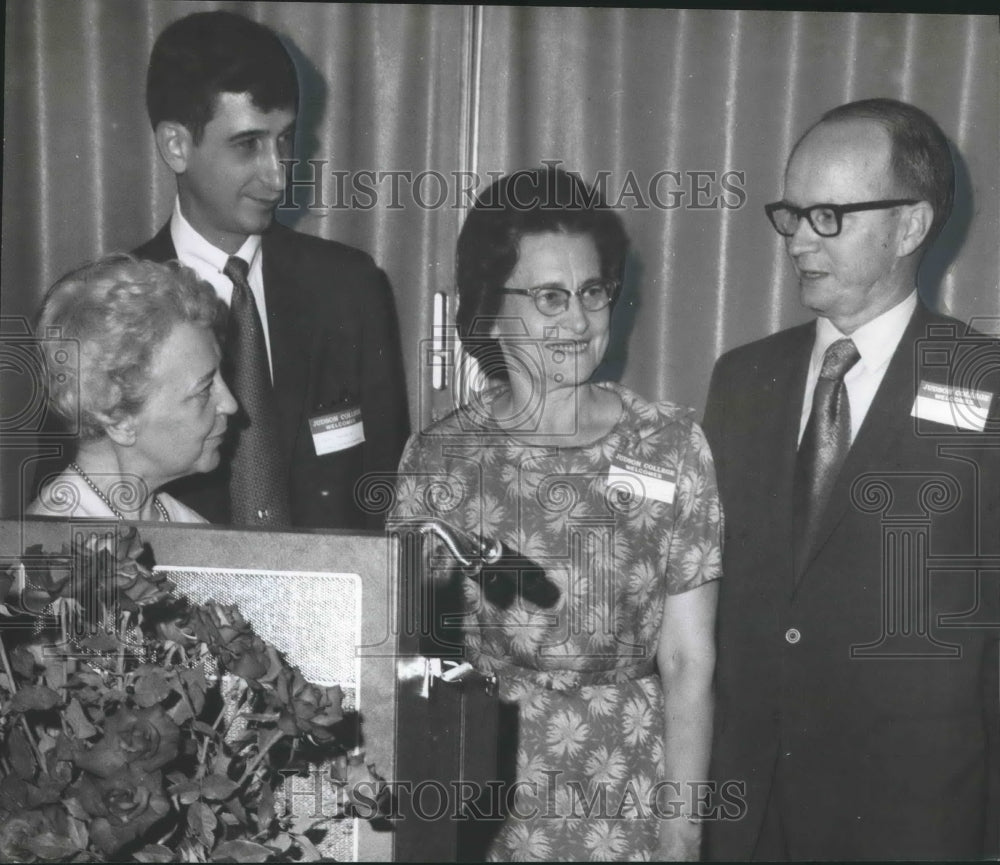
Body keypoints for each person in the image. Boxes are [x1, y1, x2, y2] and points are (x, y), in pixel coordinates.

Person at [391, 167, 721, 860]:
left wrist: (682, 830)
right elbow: (411, 663)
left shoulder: (669, 443)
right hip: (485, 798)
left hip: (630, 790)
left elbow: (689, 659)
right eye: (548, 297)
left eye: (593, 292)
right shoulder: (440, 459)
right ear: (489, 306)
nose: (577, 320)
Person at [703, 98, 1000, 860]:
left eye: (829, 215)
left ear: (911, 226)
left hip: (914, 820)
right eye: (793, 213)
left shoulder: (985, 382)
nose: (800, 239)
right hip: (751, 814)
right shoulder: (742, 379)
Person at [135, 10, 409, 529]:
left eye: (285, 140)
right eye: (248, 144)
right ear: (176, 145)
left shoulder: (351, 290)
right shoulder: (106, 308)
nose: (278, 174)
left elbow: (388, 500)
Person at [28, 255, 236, 523]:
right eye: (204, 389)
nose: (230, 404)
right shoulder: (51, 551)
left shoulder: (192, 528)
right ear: (120, 420)